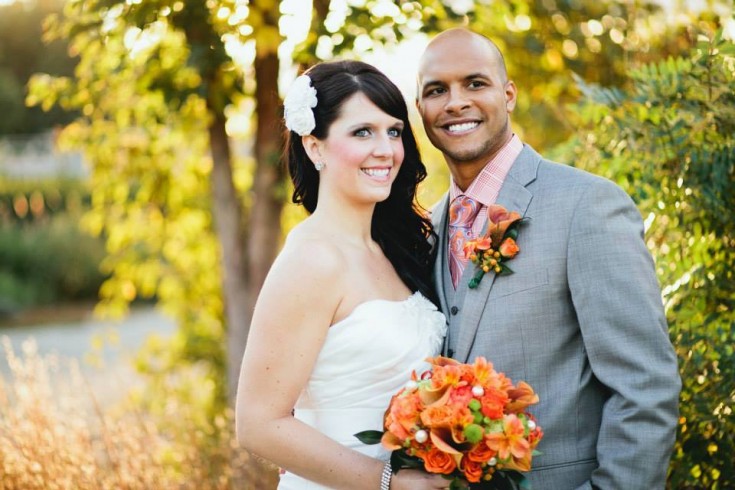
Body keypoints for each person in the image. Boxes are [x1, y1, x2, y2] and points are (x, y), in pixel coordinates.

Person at [417, 28, 681, 489]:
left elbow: (645, 389)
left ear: (509, 94)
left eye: (474, 84)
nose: (455, 102)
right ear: (420, 109)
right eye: (436, 90)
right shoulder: (427, 231)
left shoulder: (587, 206)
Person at [235, 60, 450, 490]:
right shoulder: (311, 261)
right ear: (314, 147)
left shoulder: (396, 248)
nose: (386, 150)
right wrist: (389, 482)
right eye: (362, 132)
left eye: (393, 131)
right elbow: (257, 423)